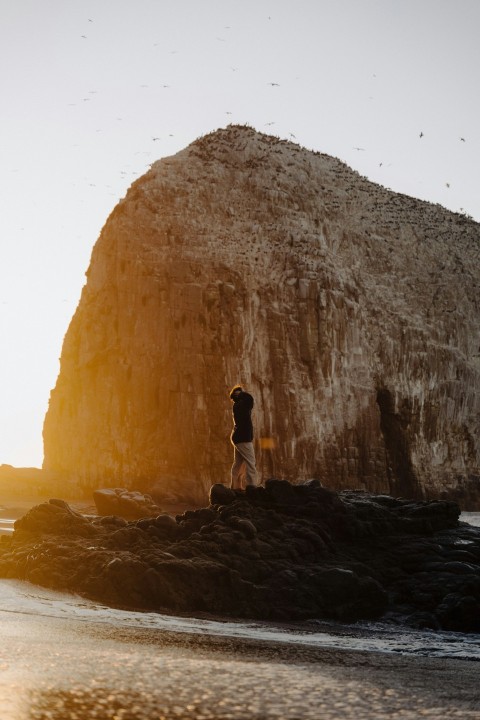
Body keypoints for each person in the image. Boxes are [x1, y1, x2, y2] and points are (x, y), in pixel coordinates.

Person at [229, 385, 257, 488]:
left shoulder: (238, 406)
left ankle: (235, 487)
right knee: (251, 463)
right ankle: (252, 487)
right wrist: (241, 394)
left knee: (238, 463)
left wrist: (239, 394)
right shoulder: (241, 405)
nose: (242, 394)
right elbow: (250, 399)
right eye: (240, 393)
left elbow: (248, 401)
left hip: (238, 437)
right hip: (243, 438)